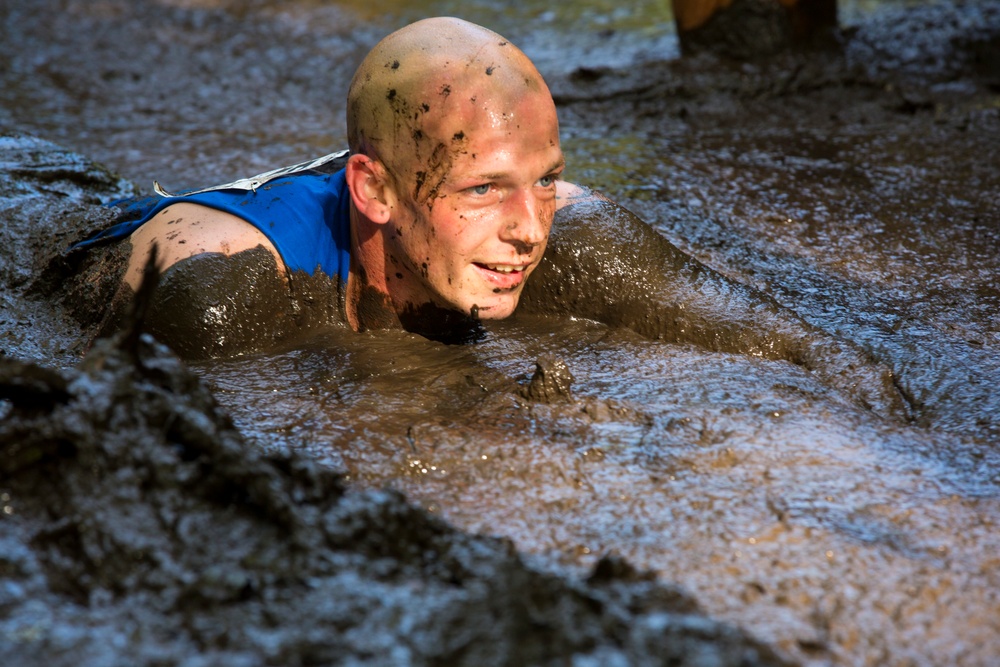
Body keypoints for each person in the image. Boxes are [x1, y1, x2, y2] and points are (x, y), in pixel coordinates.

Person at [72, 17, 910, 420]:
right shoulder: (223, 295)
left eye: (545, 180)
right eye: (482, 190)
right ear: (374, 192)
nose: (529, 229)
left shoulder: (574, 238)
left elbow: (816, 354)